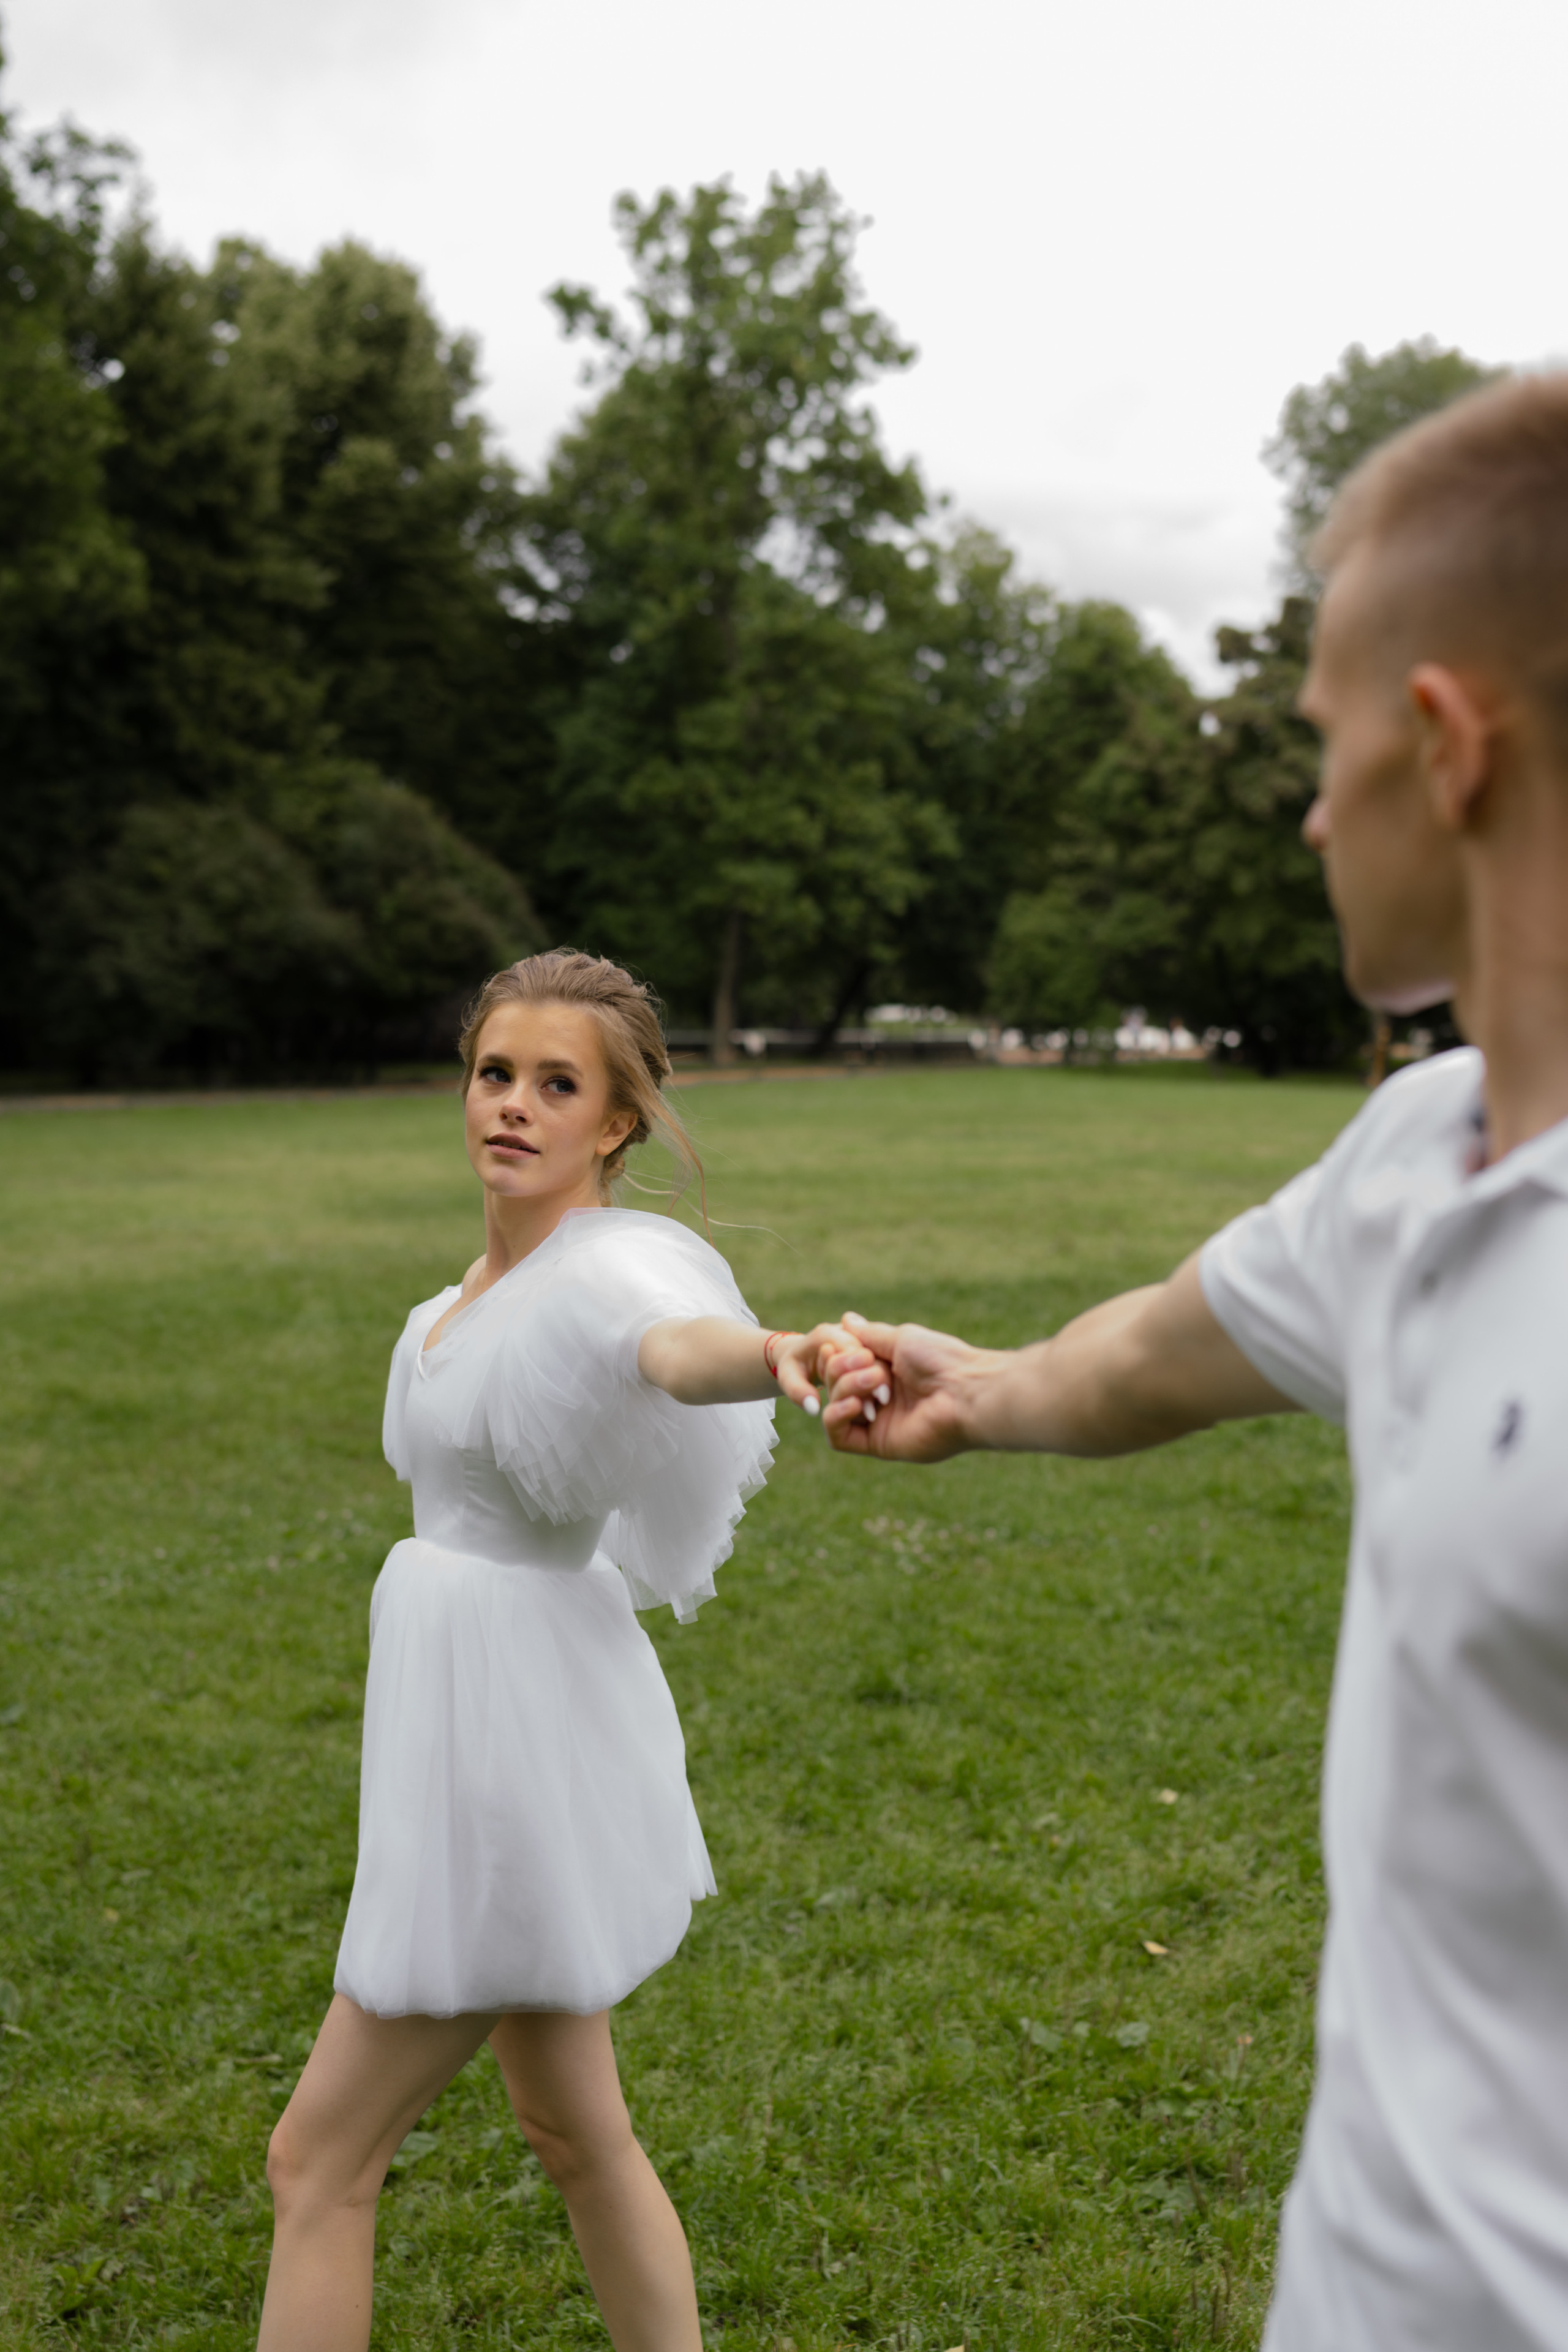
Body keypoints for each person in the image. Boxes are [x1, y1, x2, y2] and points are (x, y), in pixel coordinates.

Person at [821, 372, 1568, 2351]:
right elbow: (1148, 1353)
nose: (1315, 816)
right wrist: (968, 1387)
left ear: (1442, 745)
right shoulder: (1415, 1162)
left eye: (1327, 752)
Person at [258, 950, 858, 2352]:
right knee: (572, 2128)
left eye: (556, 1085)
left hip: (504, 1750)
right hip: (481, 1713)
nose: (513, 1107)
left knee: (316, 2163)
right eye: (493, 1073)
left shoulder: (609, 1271)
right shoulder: (450, 1301)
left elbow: (665, 1346)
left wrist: (771, 1349)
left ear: (616, 1124)